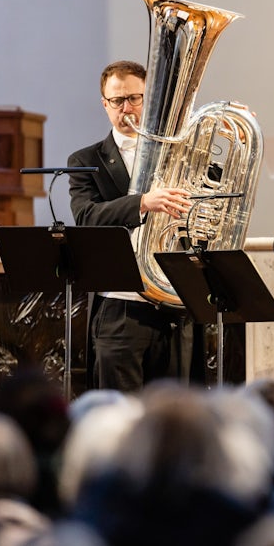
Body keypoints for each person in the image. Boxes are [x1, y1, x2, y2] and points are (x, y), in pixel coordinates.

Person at [67, 60, 193, 392]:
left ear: (148, 100)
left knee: (175, 416)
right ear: (104, 105)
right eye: (117, 101)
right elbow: (86, 217)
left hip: (175, 303)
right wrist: (141, 203)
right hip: (121, 305)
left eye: (135, 98)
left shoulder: (178, 154)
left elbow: (213, 197)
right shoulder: (85, 161)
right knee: (119, 412)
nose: (127, 108)